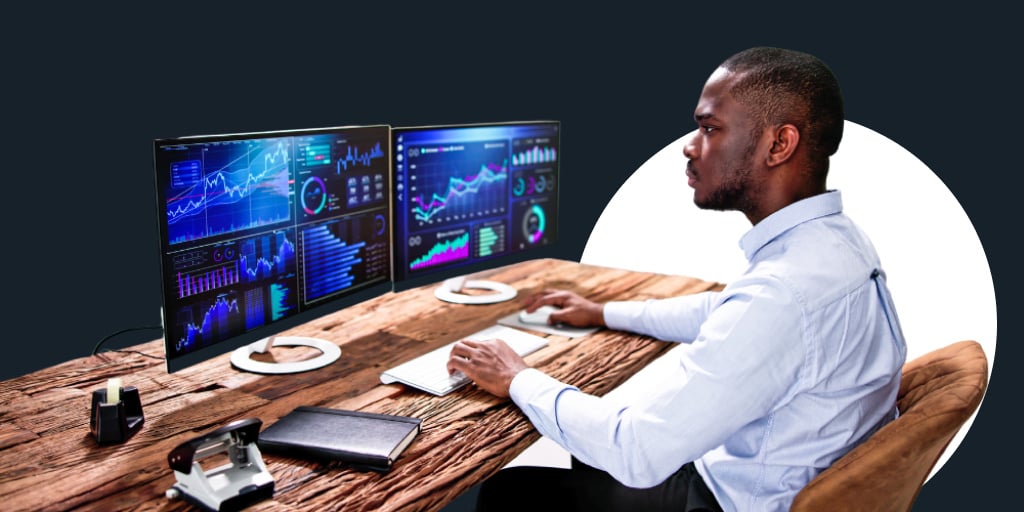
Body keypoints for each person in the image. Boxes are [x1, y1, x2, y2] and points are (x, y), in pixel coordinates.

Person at [446, 46, 908, 512]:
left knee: (511, 492)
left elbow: (637, 452)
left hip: (726, 500)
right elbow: (730, 311)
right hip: (767, 474)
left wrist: (518, 377)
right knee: (585, 450)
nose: (690, 145)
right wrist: (602, 312)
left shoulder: (784, 293)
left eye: (710, 128)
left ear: (778, 145)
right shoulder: (836, 242)